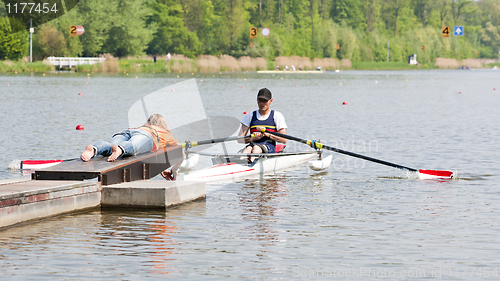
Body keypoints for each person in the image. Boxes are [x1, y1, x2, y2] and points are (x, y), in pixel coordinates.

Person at [80, 114, 182, 180]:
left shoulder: (143, 126)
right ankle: (120, 149)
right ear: (163, 125)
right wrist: (174, 169)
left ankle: (93, 149)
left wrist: (160, 169)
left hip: (128, 131)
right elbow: (179, 151)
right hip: (148, 136)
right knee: (134, 146)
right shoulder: (164, 132)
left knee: (109, 145)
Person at [238, 88, 287, 158]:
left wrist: (268, 135)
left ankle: (252, 163)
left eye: (265, 101)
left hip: (269, 146)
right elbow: (240, 140)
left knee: (256, 149)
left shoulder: (277, 116)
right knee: (248, 149)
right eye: (260, 101)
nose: (262, 104)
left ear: (271, 101)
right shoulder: (249, 116)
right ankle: (243, 163)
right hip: (252, 145)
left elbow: (284, 140)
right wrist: (253, 138)